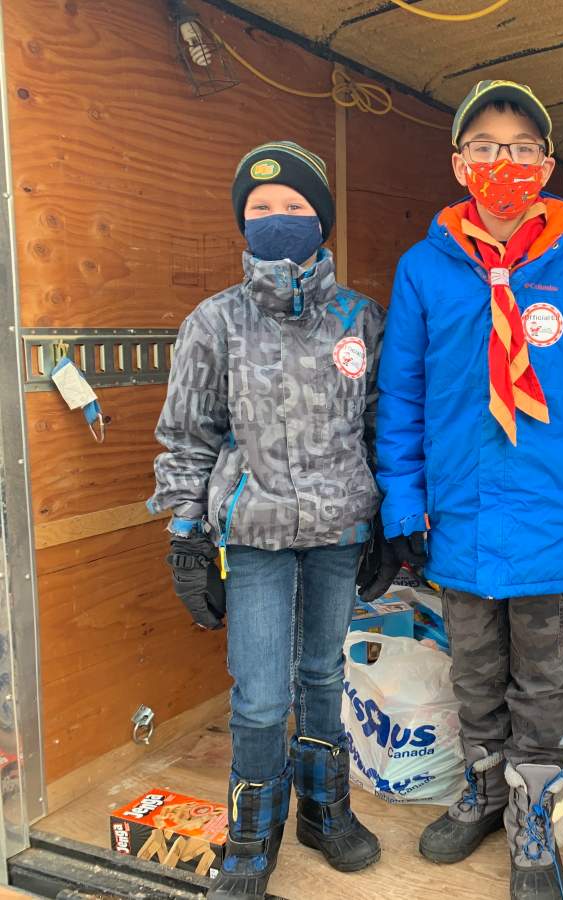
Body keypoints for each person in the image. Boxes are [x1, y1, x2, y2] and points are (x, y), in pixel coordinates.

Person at [362, 80, 563, 900]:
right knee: (475, 674)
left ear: (547, 166)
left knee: (544, 682)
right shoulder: (425, 271)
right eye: (486, 148)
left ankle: (532, 812)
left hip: (553, 517)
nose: (505, 163)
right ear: (460, 165)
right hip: (460, 517)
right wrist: (402, 503)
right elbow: (402, 396)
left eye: (522, 148)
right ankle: (485, 790)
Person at [147, 141, 384, 900]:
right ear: (242, 223)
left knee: (323, 674)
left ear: (322, 219)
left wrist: (390, 521)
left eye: (294, 206)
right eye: (260, 208)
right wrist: (186, 536)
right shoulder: (214, 321)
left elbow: (381, 427)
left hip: (339, 532)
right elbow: (187, 437)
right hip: (253, 536)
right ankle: (252, 833)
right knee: (259, 695)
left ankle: (324, 811)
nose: (278, 218)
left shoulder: (359, 318)